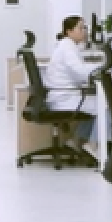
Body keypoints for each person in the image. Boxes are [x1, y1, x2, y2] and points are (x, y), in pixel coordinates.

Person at [44, 15, 99, 153]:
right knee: (106, 105)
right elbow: (81, 72)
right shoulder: (68, 47)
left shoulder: (67, 45)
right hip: (64, 98)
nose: (84, 31)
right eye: (80, 28)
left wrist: (96, 67)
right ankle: (94, 145)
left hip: (62, 96)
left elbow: (79, 71)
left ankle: (77, 141)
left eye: (85, 28)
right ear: (69, 31)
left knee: (97, 104)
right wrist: (101, 68)